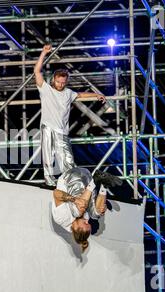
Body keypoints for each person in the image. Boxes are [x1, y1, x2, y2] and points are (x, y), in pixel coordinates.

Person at [34, 44, 107, 186]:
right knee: (48, 155)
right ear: (53, 80)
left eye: (63, 82)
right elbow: (37, 71)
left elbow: (80, 95)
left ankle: (70, 181)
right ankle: (49, 180)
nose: (60, 85)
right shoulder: (46, 89)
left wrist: (96, 94)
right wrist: (43, 53)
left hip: (62, 130)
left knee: (67, 158)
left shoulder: (68, 93)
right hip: (48, 126)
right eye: (58, 82)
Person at [52, 167, 122, 252]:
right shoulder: (83, 220)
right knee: (96, 215)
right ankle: (104, 185)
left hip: (71, 176)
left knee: (78, 212)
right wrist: (102, 207)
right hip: (87, 177)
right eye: (87, 223)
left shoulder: (62, 218)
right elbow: (92, 204)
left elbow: (56, 193)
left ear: (76, 228)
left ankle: (95, 180)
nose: (87, 221)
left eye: (85, 224)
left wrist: (75, 200)